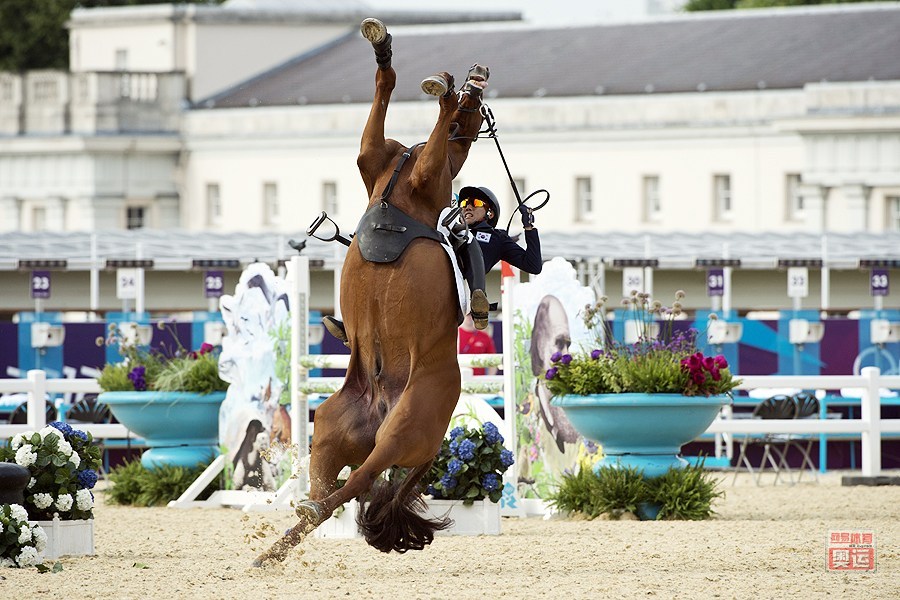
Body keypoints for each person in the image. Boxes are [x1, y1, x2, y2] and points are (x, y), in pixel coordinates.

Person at [456, 185, 542, 330]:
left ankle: (479, 299)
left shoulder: (498, 238)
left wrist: (529, 228)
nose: (468, 207)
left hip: (462, 281)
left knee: (471, 243)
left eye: (475, 203)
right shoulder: (450, 231)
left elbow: (533, 265)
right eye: (464, 203)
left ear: (490, 213)